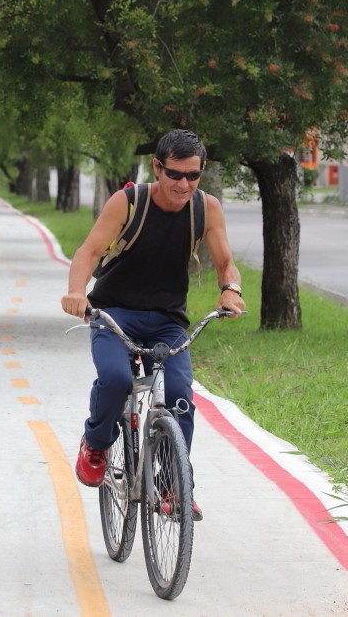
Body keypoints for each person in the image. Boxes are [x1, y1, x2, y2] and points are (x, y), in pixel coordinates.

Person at [60, 129, 246, 519]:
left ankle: (172, 486)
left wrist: (230, 289)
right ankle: (95, 443)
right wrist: (77, 291)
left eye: (192, 176)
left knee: (179, 396)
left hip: (167, 321)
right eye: (175, 174)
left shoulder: (206, 208)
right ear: (157, 167)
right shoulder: (128, 202)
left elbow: (226, 262)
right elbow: (88, 251)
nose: (183, 184)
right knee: (116, 379)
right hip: (115, 313)